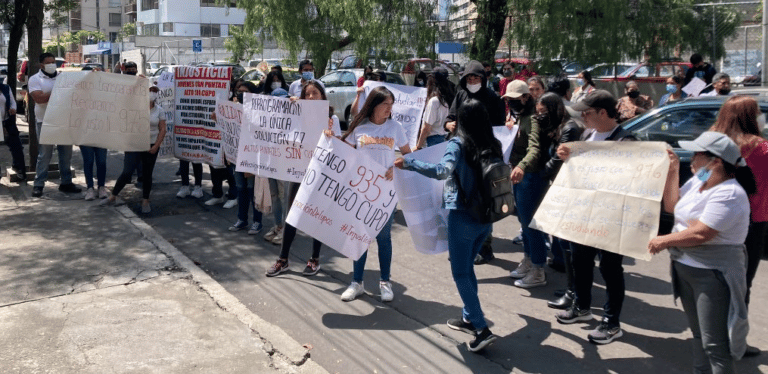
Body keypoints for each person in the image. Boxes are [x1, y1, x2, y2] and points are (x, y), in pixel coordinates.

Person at [394, 99, 500, 352]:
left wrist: (409, 162)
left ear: (461, 121)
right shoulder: (492, 142)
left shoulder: (458, 143)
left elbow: (442, 171)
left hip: (463, 216)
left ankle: (481, 328)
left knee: (461, 272)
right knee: (467, 269)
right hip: (486, 217)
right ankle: (468, 317)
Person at [649, 131, 754, 373]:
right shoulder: (702, 177)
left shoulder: (729, 193)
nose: (692, 159)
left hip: (712, 275)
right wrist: (673, 169)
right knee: (698, 336)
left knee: (715, 344)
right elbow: (672, 206)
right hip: (686, 268)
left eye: (697, 154)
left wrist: (664, 240)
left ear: (715, 161)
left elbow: (701, 234)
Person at [554, 90, 635, 345]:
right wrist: (567, 158)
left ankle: (612, 322)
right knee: (581, 261)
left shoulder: (626, 140)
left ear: (603, 112)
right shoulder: (587, 134)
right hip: (586, 213)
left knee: (611, 269)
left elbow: (629, 180)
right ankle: (582, 307)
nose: (583, 117)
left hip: (612, 216)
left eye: (586, 112)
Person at [339, 86, 412, 302]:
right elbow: (343, 152)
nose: (389, 109)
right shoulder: (360, 127)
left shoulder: (395, 127)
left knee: (383, 238)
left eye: (391, 105)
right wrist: (329, 136)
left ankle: (385, 282)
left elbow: (408, 156)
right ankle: (357, 283)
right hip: (361, 192)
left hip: (386, 194)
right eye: (385, 104)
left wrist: (397, 164)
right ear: (373, 105)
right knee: (359, 238)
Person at [709, 95, 768, 357]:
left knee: (715, 281)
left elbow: (701, 178)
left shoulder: (712, 143)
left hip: (716, 219)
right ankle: (735, 343)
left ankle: (711, 336)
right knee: (742, 283)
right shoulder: (762, 148)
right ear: (750, 117)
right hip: (752, 222)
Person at [265, 81, 343, 277]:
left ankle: (314, 259)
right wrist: (288, 108)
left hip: (320, 174)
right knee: (292, 216)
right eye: (306, 94)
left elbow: (339, 147)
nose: (310, 97)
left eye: (314, 93)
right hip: (298, 172)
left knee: (316, 216)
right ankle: (283, 260)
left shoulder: (331, 118)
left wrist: (330, 135)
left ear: (322, 96)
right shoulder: (296, 114)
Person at [444, 60, 505, 265]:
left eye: (476, 77)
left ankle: (485, 247)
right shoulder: (461, 95)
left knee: (485, 198)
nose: (472, 81)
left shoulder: (491, 98)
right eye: (469, 78)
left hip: (484, 155)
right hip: (462, 152)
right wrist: (448, 123)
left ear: (483, 79)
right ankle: (463, 246)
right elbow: (450, 116)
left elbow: (500, 126)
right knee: (461, 198)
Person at [505, 82, 554, 288]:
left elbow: (535, 149)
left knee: (532, 224)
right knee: (525, 224)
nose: (511, 103)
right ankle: (529, 260)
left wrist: (522, 166)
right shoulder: (519, 117)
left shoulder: (533, 118)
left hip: (531, 176)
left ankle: (538, 269)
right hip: (520, 175)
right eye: (509, 99)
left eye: (515, 99)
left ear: (526, 97)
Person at [543, 81, 584, 309]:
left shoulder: (569, 129)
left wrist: (542, 172)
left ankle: (574, 293)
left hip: (568, 188)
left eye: (545, 111)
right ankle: (572, 288)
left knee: (569, 242)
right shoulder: (560, 127)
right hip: (560, 186)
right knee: (562, 239)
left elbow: (559, 159)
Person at [100, 86, 168, 213]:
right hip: (134, 144)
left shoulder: (159, 110)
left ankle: (145, 200)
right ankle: (113, 196)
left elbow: (163, 129)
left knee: (147, 174)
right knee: (127, 172)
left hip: (151, 145)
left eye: (154, 92)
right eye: (149, 91)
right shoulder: (135, 108)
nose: (152, 94)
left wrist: (156, 146)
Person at [31, 52, 81, 197]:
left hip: (64, 121)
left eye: (53, 61)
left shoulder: (63, 78)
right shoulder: (35, 79)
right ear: (41, 65)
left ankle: (66, 183)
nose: (52, 64)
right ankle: (39, 184)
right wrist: (58, 92)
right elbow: (39, 99)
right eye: (48, 62)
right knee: (45, 155)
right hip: (45, 121)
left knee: (66, 155)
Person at [229, 82, 264, 235]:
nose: (241, 93)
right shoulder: (233, 109)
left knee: (252, 191)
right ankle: (242, 219)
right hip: (236, 157)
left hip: (251, 157)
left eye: (245, 91)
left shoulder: (258, 112)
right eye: (239, 91)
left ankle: (257, 221)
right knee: (241, 189)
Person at [415, 68, 455, 149]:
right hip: (446, 139)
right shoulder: (450, 99)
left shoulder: (434, 101)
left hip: (432, 142)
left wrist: (418, 146)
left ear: (432, 81)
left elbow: (426, 128)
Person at [0, 76, 25, 181]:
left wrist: (13, 108)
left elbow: (12, 102)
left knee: (16, 146)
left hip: (7, 121)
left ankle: (19, 168)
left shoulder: (5, 88)